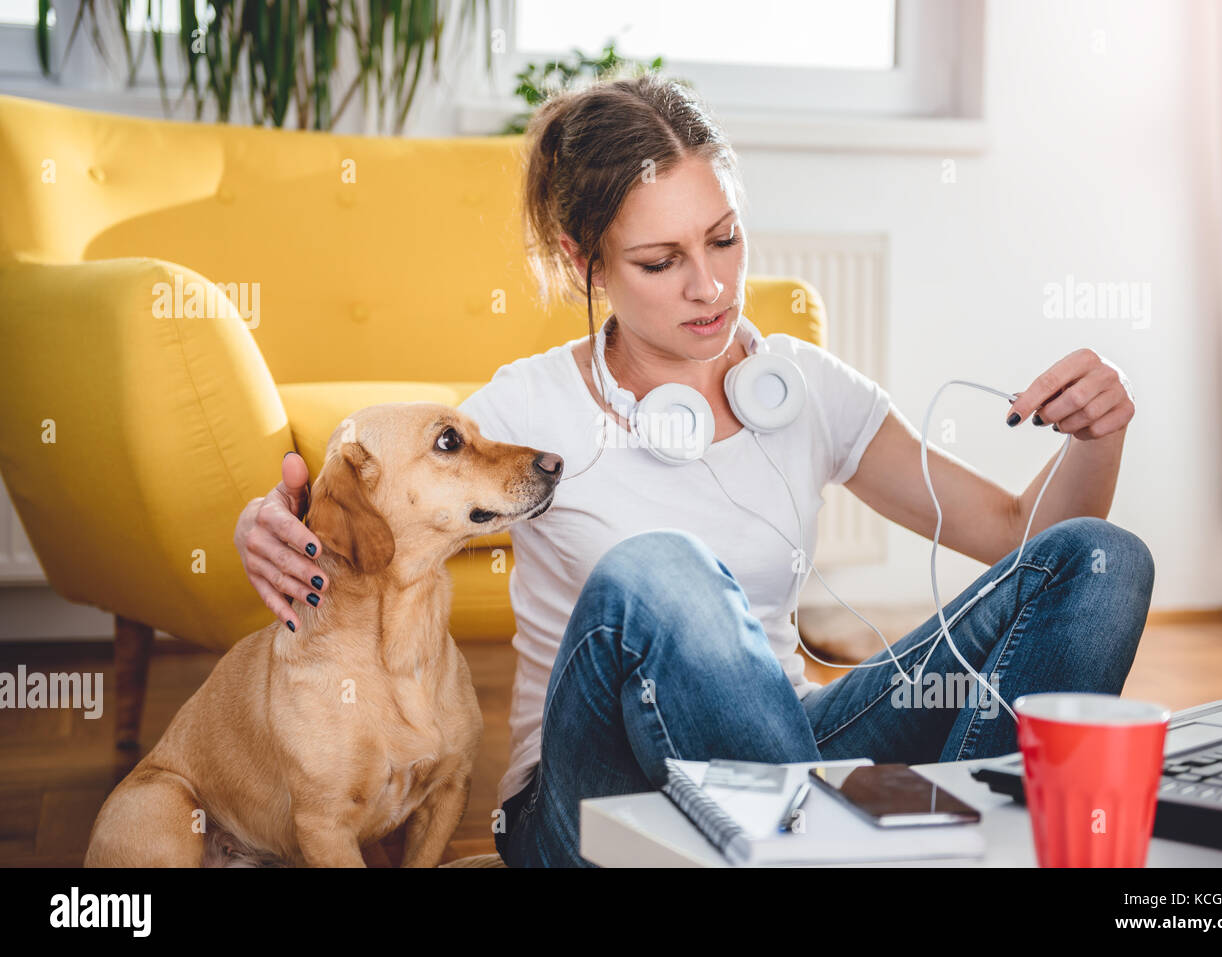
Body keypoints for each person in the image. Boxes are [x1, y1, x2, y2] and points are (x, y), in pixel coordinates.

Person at [233, 69, 1154, 868]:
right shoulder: (524, 410)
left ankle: (965, 850)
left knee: (1103, 558)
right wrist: (266, 524)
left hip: (787, 753)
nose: (709, 287)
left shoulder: (796, 387)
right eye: (661, 260)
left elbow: (1009, 537)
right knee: (661, 569)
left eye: (723, 239)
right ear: (582, 259)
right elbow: (380, 501)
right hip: (590, 801)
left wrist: (1095, 437)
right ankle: (836, 845)